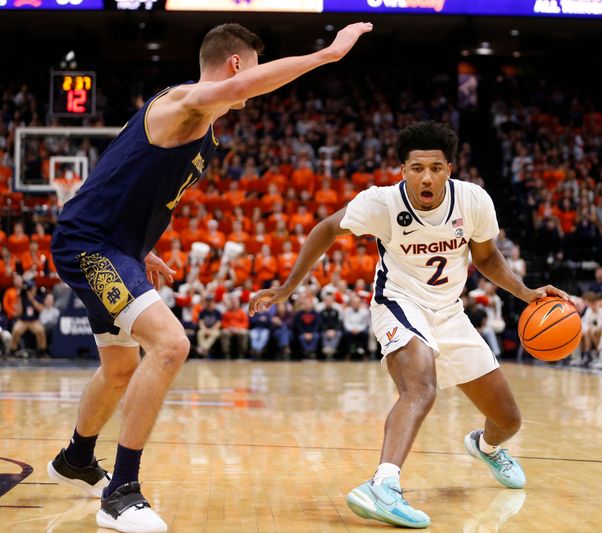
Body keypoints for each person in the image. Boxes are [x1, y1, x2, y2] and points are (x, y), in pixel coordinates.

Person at [46, 21, 373, 533]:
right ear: (237, 64)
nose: (256, 82)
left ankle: (76, 459)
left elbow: (125, 179)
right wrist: (328, 55)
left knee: (118, 369)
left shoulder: (205, 129)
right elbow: (240, 88)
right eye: (255, 69)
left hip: (115, 248)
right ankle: (121, 493)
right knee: (171, 346)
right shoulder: (185, 102)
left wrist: (141, 249)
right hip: (89, 245)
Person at [249, 121, 570, 528]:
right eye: (417, 168)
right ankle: (383, 485)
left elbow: (487, 259)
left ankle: (486, 448)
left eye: (436, 167)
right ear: (403, 171)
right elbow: (326, 229)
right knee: (420, 387)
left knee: (509, 421)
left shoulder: (473, 201)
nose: (427, 176)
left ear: (449, 169)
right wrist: (286, 287)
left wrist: (526, 294)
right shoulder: (380, 203)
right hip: (398, 301)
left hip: (450, 312)